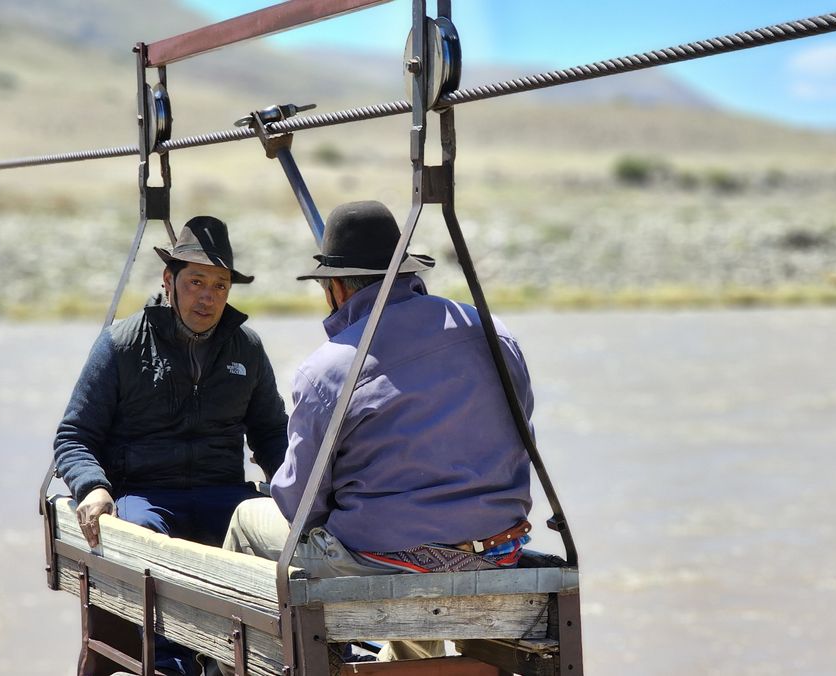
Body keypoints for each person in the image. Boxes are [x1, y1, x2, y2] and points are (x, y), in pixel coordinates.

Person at [220, 200, 536, 663]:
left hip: (385, 558)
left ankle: (254, 664)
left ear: (337, 289)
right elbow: (520, 427)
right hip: (497, 548)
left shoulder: (328, 369)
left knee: (250, 518)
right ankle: (408, 663)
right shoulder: (494, 333)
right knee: (396, 549)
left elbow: (300, 504)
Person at [54, 215, 288, 675]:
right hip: (147, 493)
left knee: (279, 538)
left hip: (223, 492)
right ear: (169, 280)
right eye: (196, 281)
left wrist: (296, 491)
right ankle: (168, 663)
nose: (208, 296)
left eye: (220, 285)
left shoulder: (246, 348)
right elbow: (74, 436)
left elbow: (272, 434)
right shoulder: (121, 345)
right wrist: (92, 487)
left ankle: (267, 656)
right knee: (142, 540)